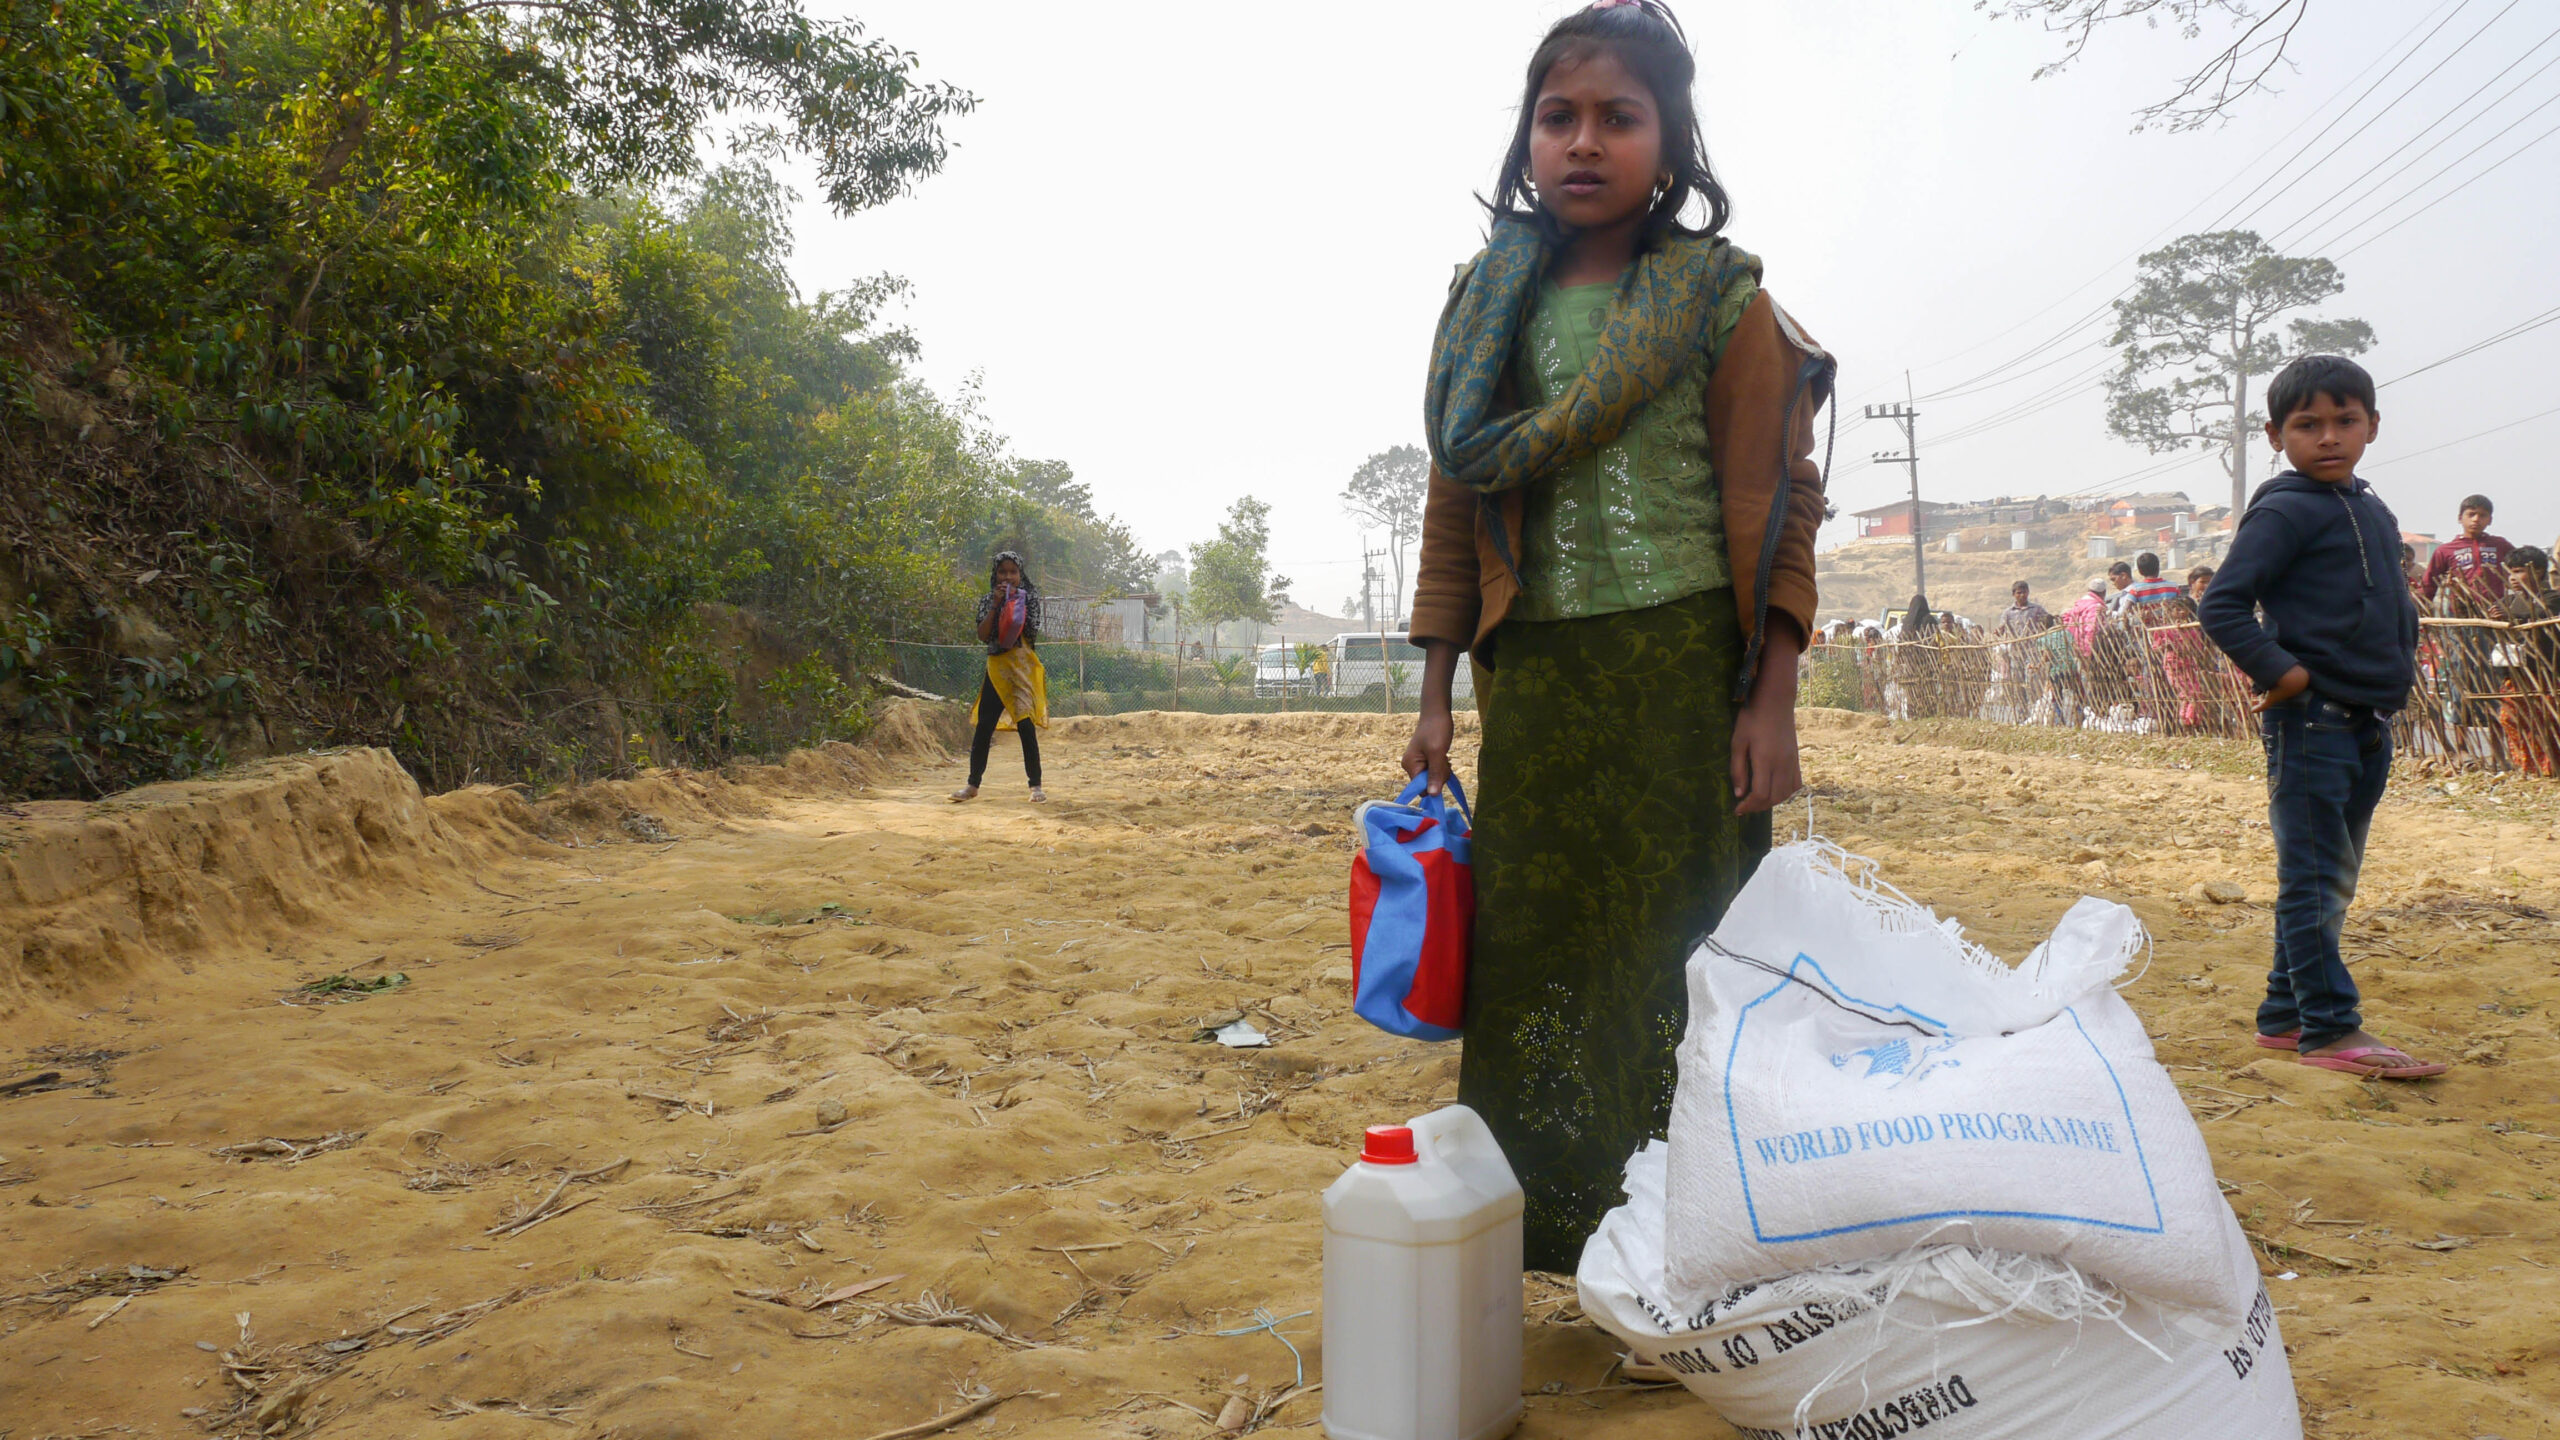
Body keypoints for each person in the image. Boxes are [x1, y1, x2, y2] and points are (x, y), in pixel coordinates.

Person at [1401, 0, 1833, 1271]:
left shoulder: (1716, 297)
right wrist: (1434, 699)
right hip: (1532, 675)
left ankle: (1688, 1236)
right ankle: (1559, 1236)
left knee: (1686, 953)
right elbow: (1453, 501)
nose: (1584, 142)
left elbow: (1785, 499)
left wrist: (1772, 697)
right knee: (1534, 949)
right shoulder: (1484, 304)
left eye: (1618, 118)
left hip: (1684, 672)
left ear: (1671, 139)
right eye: (1558, 117)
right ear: (1527, 138)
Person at [2197, 354, 2442, 1078]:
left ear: (2372, 425)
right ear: (2276, 435)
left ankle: (2284, 1016)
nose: (2328, 437)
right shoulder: (2283, 508)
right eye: (2308, 425)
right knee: (2314, 878)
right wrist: (2285, 671)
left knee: (2331, 876)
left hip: (2367, 720)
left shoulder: (2369, 504)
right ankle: (2331, 1029)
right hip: (2313, 721)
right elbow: (2223, 603)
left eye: (2345, 420)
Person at [952, 551, 1048, 804]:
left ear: (1020, 574)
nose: (1008, 576)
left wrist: (1015, 603)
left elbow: (1029, 631)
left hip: (1020, 670)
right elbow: (983, 635)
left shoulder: (1031, 599)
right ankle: (972, 786)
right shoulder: (987, 600)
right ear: (995, 574)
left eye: (1013, 572)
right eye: (1002, 572)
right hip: (996, 669)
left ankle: (1035, 787)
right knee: (984, 727)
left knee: (1026, 727)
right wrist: (996, 605)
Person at [2497, 546, 2559, 776]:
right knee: (2511, 718)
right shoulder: (2507, 602)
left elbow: (2544, 616)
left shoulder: (2552, 599)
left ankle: (2549, 769)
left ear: (2539, 571)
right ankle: (2527, 767)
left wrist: (2514, 618)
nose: (2513, 578)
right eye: (2511, 572)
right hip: (2516, 674)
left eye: (2519, 571)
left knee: (2546, 722)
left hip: (2546, 673)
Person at [2420, 494, 2512, 607]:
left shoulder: (2500, 545)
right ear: (2460, 518)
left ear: (2490, 520)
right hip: (2462, 611)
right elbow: (2428, 585)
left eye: (2482, 515)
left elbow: (2520, 569)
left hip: (2497, 610)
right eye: (2471, 514)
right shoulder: (2445, 550)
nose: (2476, 519)